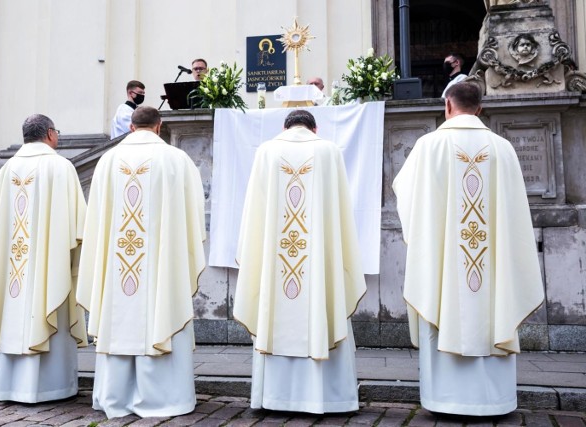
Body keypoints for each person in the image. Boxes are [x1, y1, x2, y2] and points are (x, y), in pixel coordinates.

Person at [392, 82, 544, 416]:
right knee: (493, 303)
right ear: (480, 108)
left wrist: (425, 238)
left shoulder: (429, 145)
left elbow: (404, 193)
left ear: (447, 105)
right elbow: (515, 214)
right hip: (492, 266)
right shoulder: (502, 148)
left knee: (442, 299)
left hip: (444, 266)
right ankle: (493, 401)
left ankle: (444, 400)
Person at [234, 110, 367, 414]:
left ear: (284, 126)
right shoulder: (328, 151)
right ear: (314, 127)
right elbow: (341, 213)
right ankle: (330, 398)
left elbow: (254, 212)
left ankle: (274, 397)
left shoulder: (267, 151)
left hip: (275, 259)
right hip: (318, 261)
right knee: (322, 294)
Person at [77, 106, 206, 418]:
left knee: (117, 313)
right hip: (162, 266)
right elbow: (193, 218)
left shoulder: (107, 162)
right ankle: (163, 398)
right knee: (161, 306)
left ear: (131, 128)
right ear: (159, 126)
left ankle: (116, 397)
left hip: (117, 267)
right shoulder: (176, 160)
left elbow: (95, 223)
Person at [0, 114, 88, 403]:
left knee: (10, 308)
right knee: (48, 296)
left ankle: (7, 386)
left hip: (9, 269)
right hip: (47, 269)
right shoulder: (61, 167)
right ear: (50, 134)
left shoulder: (6, 170)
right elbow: (79, 228)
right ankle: (52, 387)